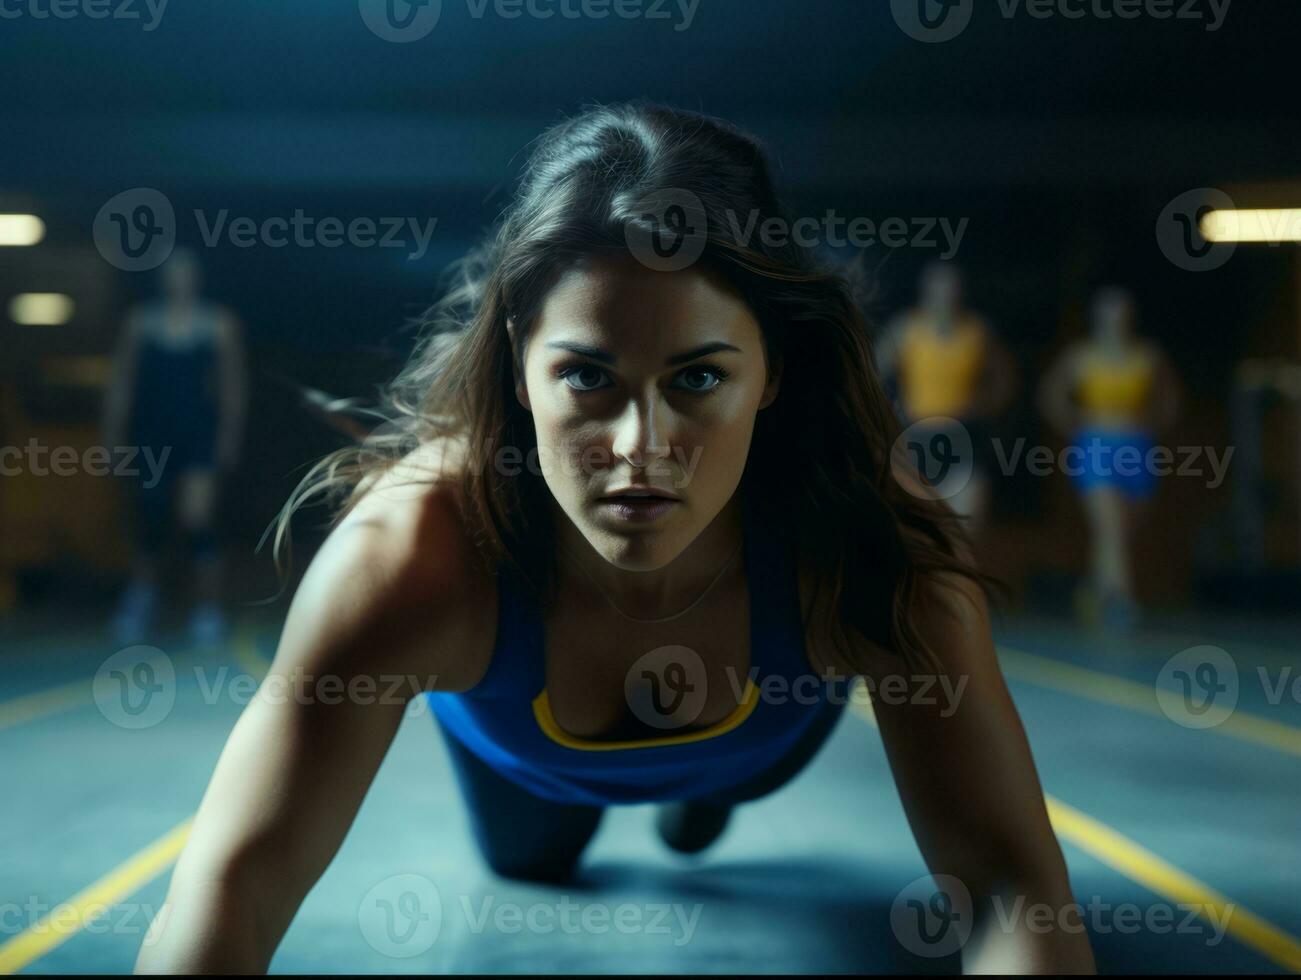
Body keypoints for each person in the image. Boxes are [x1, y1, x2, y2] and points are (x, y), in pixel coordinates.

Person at [135, 103, 1095, 974]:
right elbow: (234, 882)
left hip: (758, 746)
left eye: (699, 380)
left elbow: (1010, 884)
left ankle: (698, 803)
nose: (642, 449)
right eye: (588, 378)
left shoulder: (866, 538)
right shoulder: (408, 556)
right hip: (527, 765)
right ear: (518, 367)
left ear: (773, 370)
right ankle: (623, 812)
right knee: (533, 860)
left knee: (702, 814)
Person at [103, 248, 248, 646]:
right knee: (151, 515)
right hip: (153, 432)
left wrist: (227, 438)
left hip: (198, 431)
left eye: (186, 273)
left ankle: (208, 608)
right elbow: (123, 383)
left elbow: (232, 388)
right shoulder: (141, 323)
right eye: (172, 274)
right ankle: (142, 599)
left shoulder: (218, 323)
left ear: (197, 278)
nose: (179, 281)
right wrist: (113, 435)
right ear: (163, 279)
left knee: (197, 517)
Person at [1038, 286, 1180, 629]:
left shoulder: (1147, 354)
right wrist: (1076, 424)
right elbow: (1051, 395)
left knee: (1120, 531)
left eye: (1121, 313)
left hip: (1137, 448)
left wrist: (1150, 424)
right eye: (1108, 313)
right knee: (1110, 526)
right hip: (1095, 447)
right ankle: (1122, 602)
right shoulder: (1081, 355)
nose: (1115, 320)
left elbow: (1169, 399)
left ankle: (1095, 590)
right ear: (1098, 317)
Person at [876, 261, 1017, 536]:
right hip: (916, 437)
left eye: (952, 287)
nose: (945, 294)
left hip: (963, 436)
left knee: (966, 529)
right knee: (917, 533)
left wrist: (983, 406)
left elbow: (1004, 380)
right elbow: (872, 375)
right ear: (925, 290)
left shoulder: (976, 330)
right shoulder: (907, 328)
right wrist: (891, 411)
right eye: (938, 287)